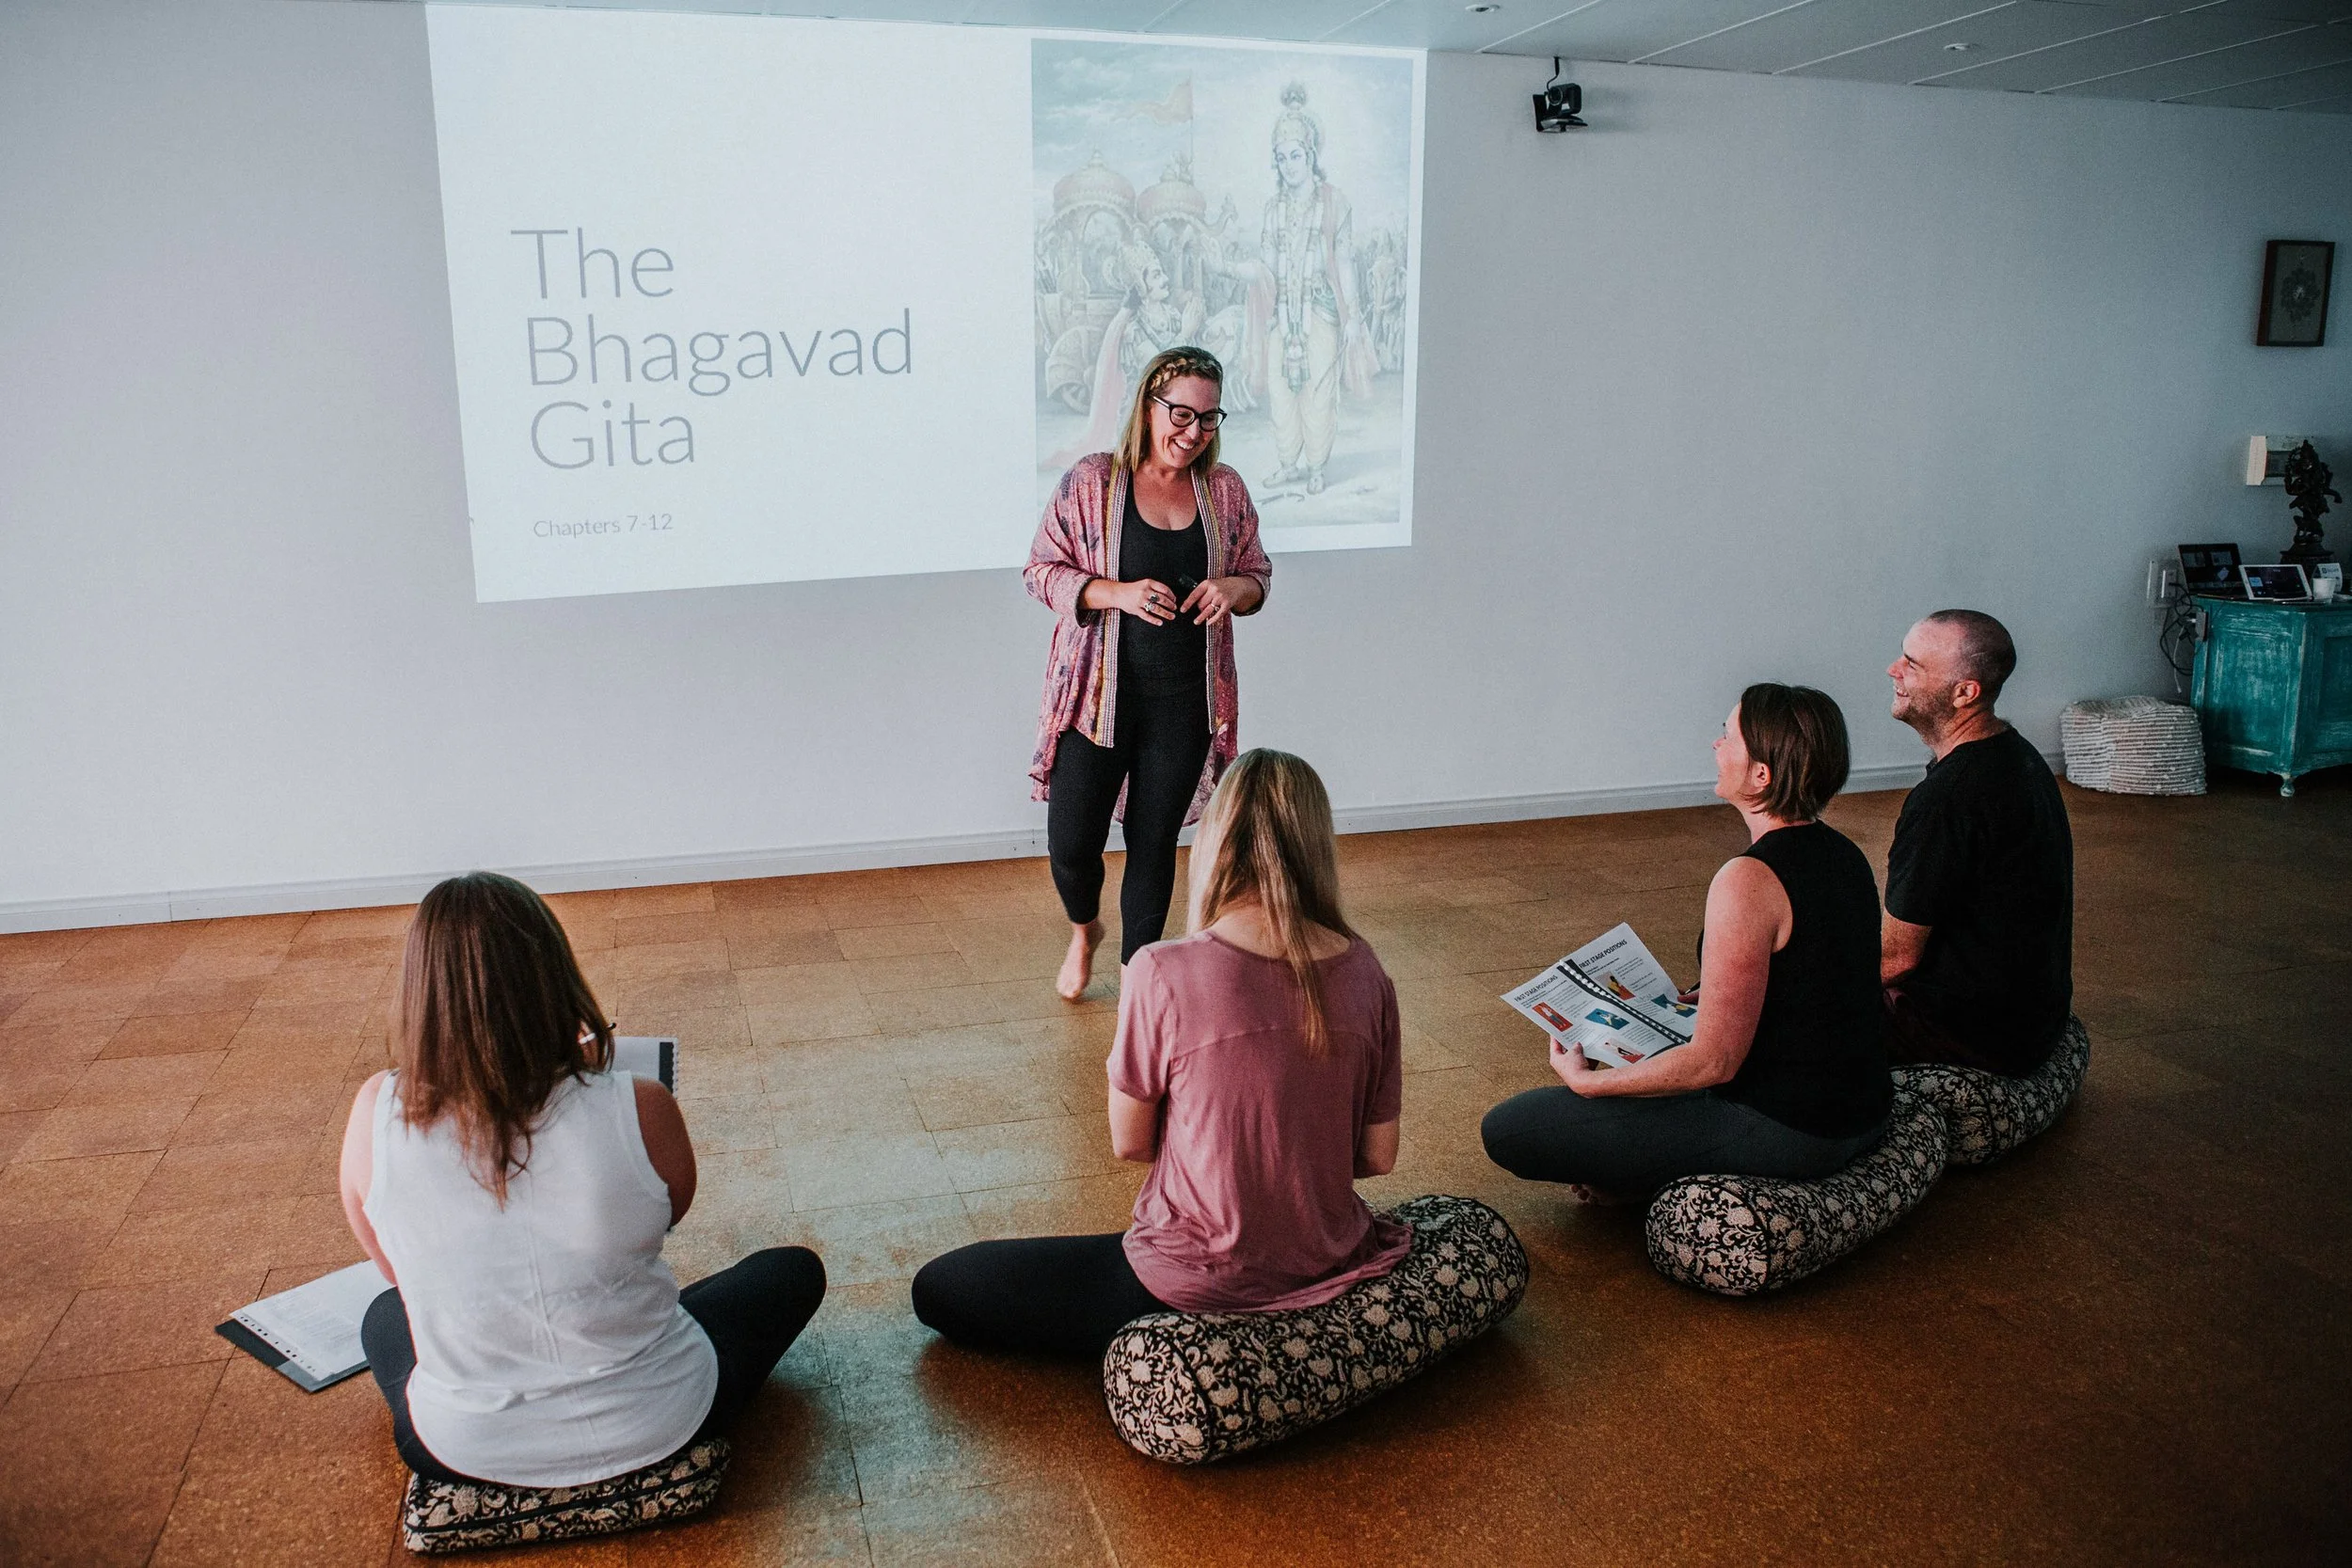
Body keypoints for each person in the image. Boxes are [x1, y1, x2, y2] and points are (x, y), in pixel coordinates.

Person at [911, 750, 1408, 1358]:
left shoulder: (1161, 970)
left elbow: (1131, 1142)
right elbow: (1378, 1155)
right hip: (1332, 1266)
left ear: (1215, 841)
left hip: (1188, 1281)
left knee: (939, 1284)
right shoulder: (1366, 970)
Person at [338, 872, 825, 1489]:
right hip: (659, 1423)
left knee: (385, 1314)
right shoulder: (641, 1102)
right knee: (791, 1270)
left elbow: (395, 1274)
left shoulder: (375, 1110)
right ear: (554, 979)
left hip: (459, 1447)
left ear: (420, 994)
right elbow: (668, 1212)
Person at [1482, 686, 1894, 1200]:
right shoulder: (1844, 852)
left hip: (1792, 1135)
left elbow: (1712, 1064)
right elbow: (1820, 978)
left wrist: (1588, 1084)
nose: (1716, 745)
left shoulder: (1748, 878)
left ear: (1761, 774)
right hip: (1865, 1112)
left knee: (1511, 1128)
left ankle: (1660, 1178)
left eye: (1729, 736)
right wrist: (1714, 992)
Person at [1025, 344, 1272, 1001]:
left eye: (1210, 420)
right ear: (1148, 405)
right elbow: (1041, 571)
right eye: (1182, 415)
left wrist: (1231, 587)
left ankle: (1139, 983)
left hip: (1184, 701)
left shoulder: (1223, 491)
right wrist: (1117, 592)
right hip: (1097, 699)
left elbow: (1257, 577)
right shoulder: (1093, 480)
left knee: (1153, 841)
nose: (1193, 434)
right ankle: (1084, 928)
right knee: (1072, 847)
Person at [1882, 610, 2074, 1076]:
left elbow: (1895, 959)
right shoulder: (2017, 755)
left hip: (1973, 1037)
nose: (1894, 669)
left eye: (1913, 664)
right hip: (2029, 1021)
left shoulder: (1948, 800)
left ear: (1965, 692)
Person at [1258, 82, 1376, 495]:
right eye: (1281, 158)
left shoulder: (1333, 202)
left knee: (1319, 391)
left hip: (1322, 311)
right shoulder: (1273, 209)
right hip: (1282, 315)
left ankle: (1315, 467)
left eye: (1295, 155)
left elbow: (1344, 263)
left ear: (1310, 156)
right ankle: (1288, 463)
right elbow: (1267, 266)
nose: (1289, 165)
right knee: (1280, 389)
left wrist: (1353, 317)